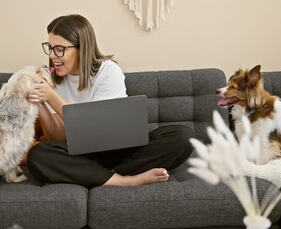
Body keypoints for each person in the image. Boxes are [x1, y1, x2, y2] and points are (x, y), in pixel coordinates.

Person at [26, 14, 193, 188]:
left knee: (183, 136)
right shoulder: (54, 79)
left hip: (120, 151)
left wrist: (52, 97)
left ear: (82, 48)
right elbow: (58, 138)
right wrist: (41, 102)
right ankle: (124, 180)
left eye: (59, 49)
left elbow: (93, 126)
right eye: (50, 48)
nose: (53, 55)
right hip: (81, 155)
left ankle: (95, 175)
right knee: (38, 155)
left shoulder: (108, 71)